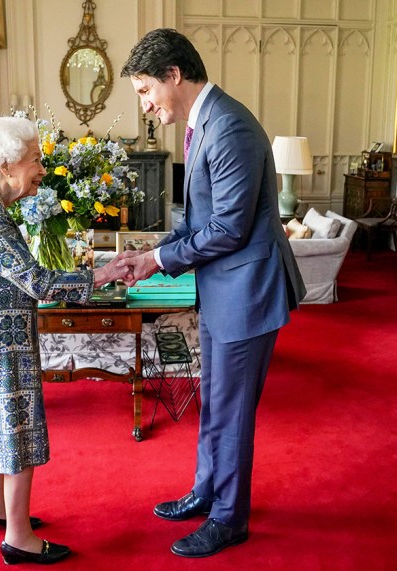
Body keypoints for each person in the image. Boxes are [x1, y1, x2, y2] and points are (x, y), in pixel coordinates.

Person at [120, 29, 306, 558]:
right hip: (223, 289)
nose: (145, 103)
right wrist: (149, 254)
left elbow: (227, 229)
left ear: (173, 75)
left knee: (231, 409)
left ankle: (229, 517)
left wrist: (156, 261)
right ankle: (207, 491)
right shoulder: (204, 123)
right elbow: (197, 219)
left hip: (247, 292)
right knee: (215, 404)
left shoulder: (229, 128)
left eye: (143, 90)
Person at [0, 116, 128, 565]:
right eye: (35, 159)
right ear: (6, 165)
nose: (41, 168)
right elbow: (37, 282)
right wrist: (101, 274)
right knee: (15, 431)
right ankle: (18, 538)